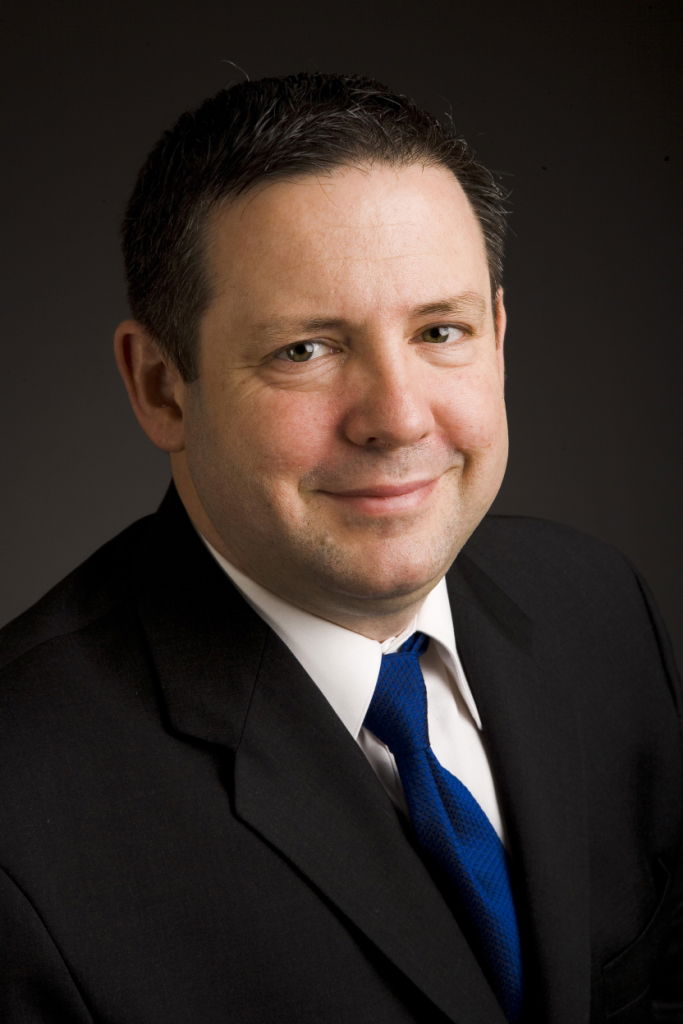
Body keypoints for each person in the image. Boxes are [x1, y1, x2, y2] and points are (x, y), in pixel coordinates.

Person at [0, 72, 681, 1024]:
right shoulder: (21, 804)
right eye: (305, 350)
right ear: (160, 386)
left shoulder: (597, 606)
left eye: (439, 330)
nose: (396, 419)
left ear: (496, 337)